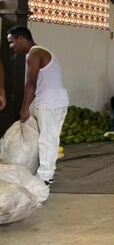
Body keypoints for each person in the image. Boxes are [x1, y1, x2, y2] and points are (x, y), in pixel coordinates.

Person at [5, 26, 69, 185]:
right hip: (55, 100)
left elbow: (30, 84)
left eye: (12, 42)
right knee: (49, 138)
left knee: (47, 139)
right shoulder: (42, 52)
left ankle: (45, 177)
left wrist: (24, 108)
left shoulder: (34, 54)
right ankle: (47, 172)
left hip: (50, 101)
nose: (11, 46)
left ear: (21, 38)